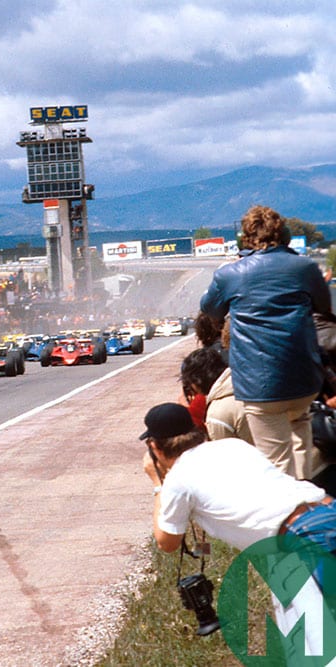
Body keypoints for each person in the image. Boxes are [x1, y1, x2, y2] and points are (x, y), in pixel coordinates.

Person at [141, 402, 333, 655]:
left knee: (323, 649)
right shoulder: (233, 446)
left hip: (299, 541)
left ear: (155, 446)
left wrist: (158, 484)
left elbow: (166, 542)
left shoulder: (177, 480)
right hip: (326, 512)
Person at [200, 205, 332, 479]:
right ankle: (307, 496)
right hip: (304, 379)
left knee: (277, 463)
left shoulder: (230, 274)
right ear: (285, 236)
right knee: (301, 441)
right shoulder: (306, 267)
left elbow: (210, 308)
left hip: (259, 385)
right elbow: (322, 305)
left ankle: (290, 503)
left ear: (244, 239)